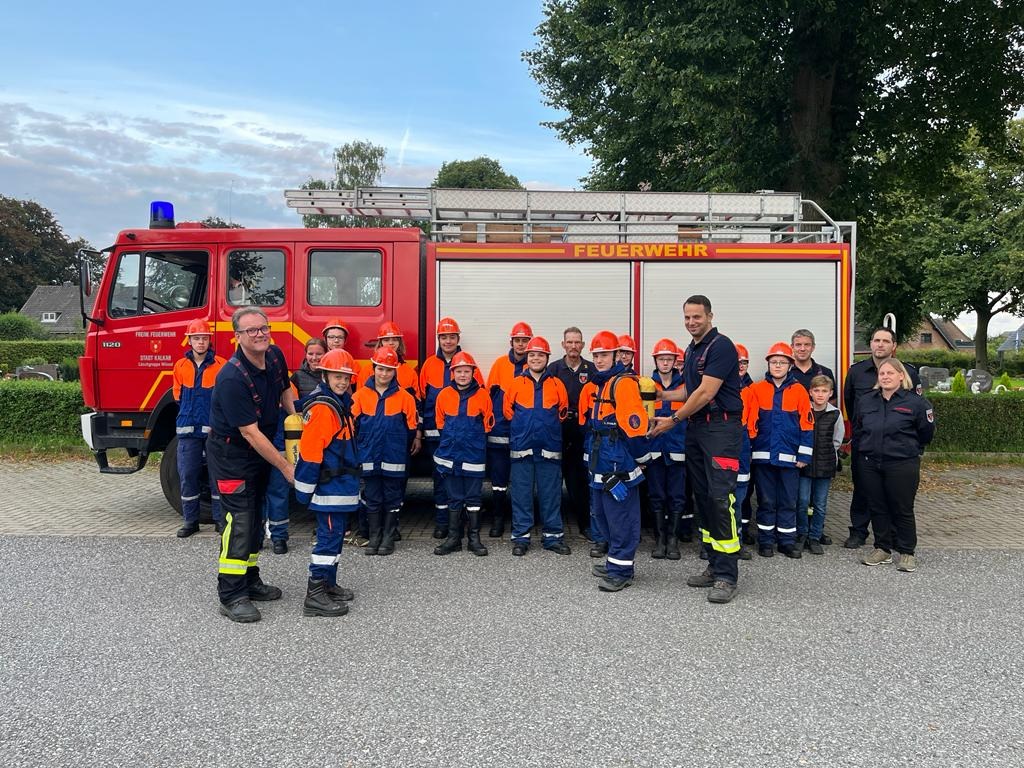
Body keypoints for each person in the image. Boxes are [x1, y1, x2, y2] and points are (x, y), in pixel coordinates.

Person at [648, 295, 744, 604]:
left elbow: (705, 392)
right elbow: (690, 389)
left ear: (710, 316)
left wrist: (672, 420)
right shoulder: (691, 350)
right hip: (699, 429)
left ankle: (728, 575)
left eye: (697, 317)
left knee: (720, 498)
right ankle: (714, 566)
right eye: (687, 317)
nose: (691, 322)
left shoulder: (721, 346)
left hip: (721, 430)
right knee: (702, 497)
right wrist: (661, 394)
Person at [208, 307, 295, 623]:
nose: (260, 334)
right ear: (238, 337)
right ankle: (231, 594)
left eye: (263, 328)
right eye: (251, 330)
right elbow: (249, 432)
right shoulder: (231, 377)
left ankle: (250, 579)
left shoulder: (273, 355)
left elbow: (285, 388)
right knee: (240, 521)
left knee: (257, 516)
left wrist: (295, 419)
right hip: (233, 456)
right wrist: (286, 467)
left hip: (258, 450)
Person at [580, 330, 648, 592]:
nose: (599, 360)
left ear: (616, 355)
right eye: (596, 355)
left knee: (620, 517)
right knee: (603, 515)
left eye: (604, 355)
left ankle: (621, 570)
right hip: (602, 459)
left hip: (619, 462)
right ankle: (614, 563)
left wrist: (641, 459)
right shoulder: (600, 384)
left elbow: (634, 426)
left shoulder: (623, 384)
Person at [293, 349, 359, 617]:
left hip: (340, 487)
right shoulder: (324, 408)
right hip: (329, 488)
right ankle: (315, 595)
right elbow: (310, 453)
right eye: (337, 376)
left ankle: (328, 584)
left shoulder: (340, 403)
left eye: (346, 377)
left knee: (335, 539)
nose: (342, 381)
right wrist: (303, 490)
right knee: (328, 540)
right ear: (325, 375)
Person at [842, 326, 922, 549]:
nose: (880, 344)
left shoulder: (909, 372)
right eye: (876, 340)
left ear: (893, 346)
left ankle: (895, 537)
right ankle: (858, 532)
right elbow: (850, 404)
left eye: (885, 341)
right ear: (870, 344)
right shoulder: (856, 372)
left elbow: (918, 412)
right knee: (862, 489)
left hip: (897, 448)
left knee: (895, 494)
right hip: (865, 443)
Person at [855, 358, 934, 571]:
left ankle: (907, 552)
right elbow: (859, 427)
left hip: (901, 463)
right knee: (877, 506)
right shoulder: (867, 400)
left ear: (901, 376)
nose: (886, 377)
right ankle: (883, 549)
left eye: (891, 373)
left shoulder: (916, 403)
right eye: (882, 374)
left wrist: (910, 450)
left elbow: (926, 432)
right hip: (870, 462)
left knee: (902, 508)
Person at [746, 342, 814, 559]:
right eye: (774, 362)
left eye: (782, 362)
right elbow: (749, 422)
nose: (777, 365)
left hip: (790, 460)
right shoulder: (756, 389)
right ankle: (765, 541)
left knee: (788, 501)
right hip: (762, 458)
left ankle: (786, 542)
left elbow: (807, 424)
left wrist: (804, 455)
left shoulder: (800, 391)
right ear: (768, 364)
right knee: (766, 501)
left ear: (790, 365)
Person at [504, 336, 571, 556]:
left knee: (550, 494)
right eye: (532, 355)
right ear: (527, 358)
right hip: (522, 448)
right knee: (521, 494)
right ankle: (521, 538)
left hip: (549, 448)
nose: (535, 358)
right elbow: (508, 412)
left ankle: (553, 537)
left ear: (547, 358)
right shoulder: (515, 383)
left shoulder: (556, 384)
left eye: (540, 355)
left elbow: (562, 412)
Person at [419, 317, 484, 539]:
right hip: (436, 436)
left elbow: (481, 397)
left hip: (465, 437)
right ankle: (442, 524)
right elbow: (422, 398)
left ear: (458, 338)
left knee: (464, 479)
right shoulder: (429, 365)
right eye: (444, 337)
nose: (448, 341)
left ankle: (463, 525)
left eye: (452, 337)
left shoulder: (468, 362)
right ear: (439, 339)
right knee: (441, 481)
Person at [352, 346, 419, 556]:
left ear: (395, 371)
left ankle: (388, 538)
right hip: (369, 455)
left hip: (394, 456)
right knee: (371, 496)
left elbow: (411, 428)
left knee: (392, 496)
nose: (384, 374)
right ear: (373, 368)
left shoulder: (405, 397)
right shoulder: (360, 395)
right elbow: (353, 426)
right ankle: (374, 537)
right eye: (381, 369)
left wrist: (398, 446)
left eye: (389, 370)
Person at [433, 351, 494, 557]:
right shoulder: (443, 395)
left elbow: (487, 426)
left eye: (466, 371)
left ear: (473, 373)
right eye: (459, 371)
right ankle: (453, 539)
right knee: (454, 498)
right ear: (453, 373)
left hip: (473, 456)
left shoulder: (483, 395)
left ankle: (474, 539)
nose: (462, 375)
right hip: (450, 455)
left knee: (474, 498)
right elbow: (440, 424)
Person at [173, 319, 226, 538]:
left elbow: (224, 398)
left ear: (209, 340)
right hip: (187, 431)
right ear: (190, 340)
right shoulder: (180, 366)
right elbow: (177, 395)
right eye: (196, 338)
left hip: (213, 431)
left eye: (204, 338)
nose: (201, 342)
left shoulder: (221, 365)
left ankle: (220, 520)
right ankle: (190, 521)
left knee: (217, 476)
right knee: (188, 475)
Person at [485, 322, 534, 538]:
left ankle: (518, 521)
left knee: (521, 481)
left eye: (525, 341)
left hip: (523, 432)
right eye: (518, 340)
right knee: (498, 481)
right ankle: (497, 519)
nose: (521, 344)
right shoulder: (499, 364)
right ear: (511, 342)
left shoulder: (535, 365)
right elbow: (489, 397)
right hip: (500, 432)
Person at [547, 327, 595, 537]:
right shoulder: (554, 369)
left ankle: (585, 524)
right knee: (553, 480)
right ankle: (553, 526)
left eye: (577, 342)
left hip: (582, 430)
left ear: (582, 345)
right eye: (570, 342)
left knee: (580, 480)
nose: (573, 346)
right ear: (563, 345)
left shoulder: (591, 369)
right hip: (559, 429)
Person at [646, 338, 689, 560]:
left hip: (678, 450)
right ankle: (659, 540)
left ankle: (673, 540)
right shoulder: (646, 385)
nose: (665, 362)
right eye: (661, 359)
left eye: (669, 359)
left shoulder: (685, 386)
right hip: (654, 450)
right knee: (656, 495)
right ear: (655, 360)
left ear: (675, 361)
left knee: (677, 496)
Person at [797, 375, 844, 555]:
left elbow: (837, 440)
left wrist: (831, 458)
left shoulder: (835, 414)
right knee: (801, 502)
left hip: (825, 465)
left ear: (830, 393)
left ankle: (815, 536)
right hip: (805, 465)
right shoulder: (803, 410)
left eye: (824, 391)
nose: (820, 394)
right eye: (816, 390)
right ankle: (802, 534)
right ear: (810, 392)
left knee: (820, 504)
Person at [789, 329, 837, 402]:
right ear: (792, 347)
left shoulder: (825, 372)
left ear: (813, 347)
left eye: (807, 344)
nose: (802, 349)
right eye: (798, 345)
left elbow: (832, 400)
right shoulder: (785, 373)